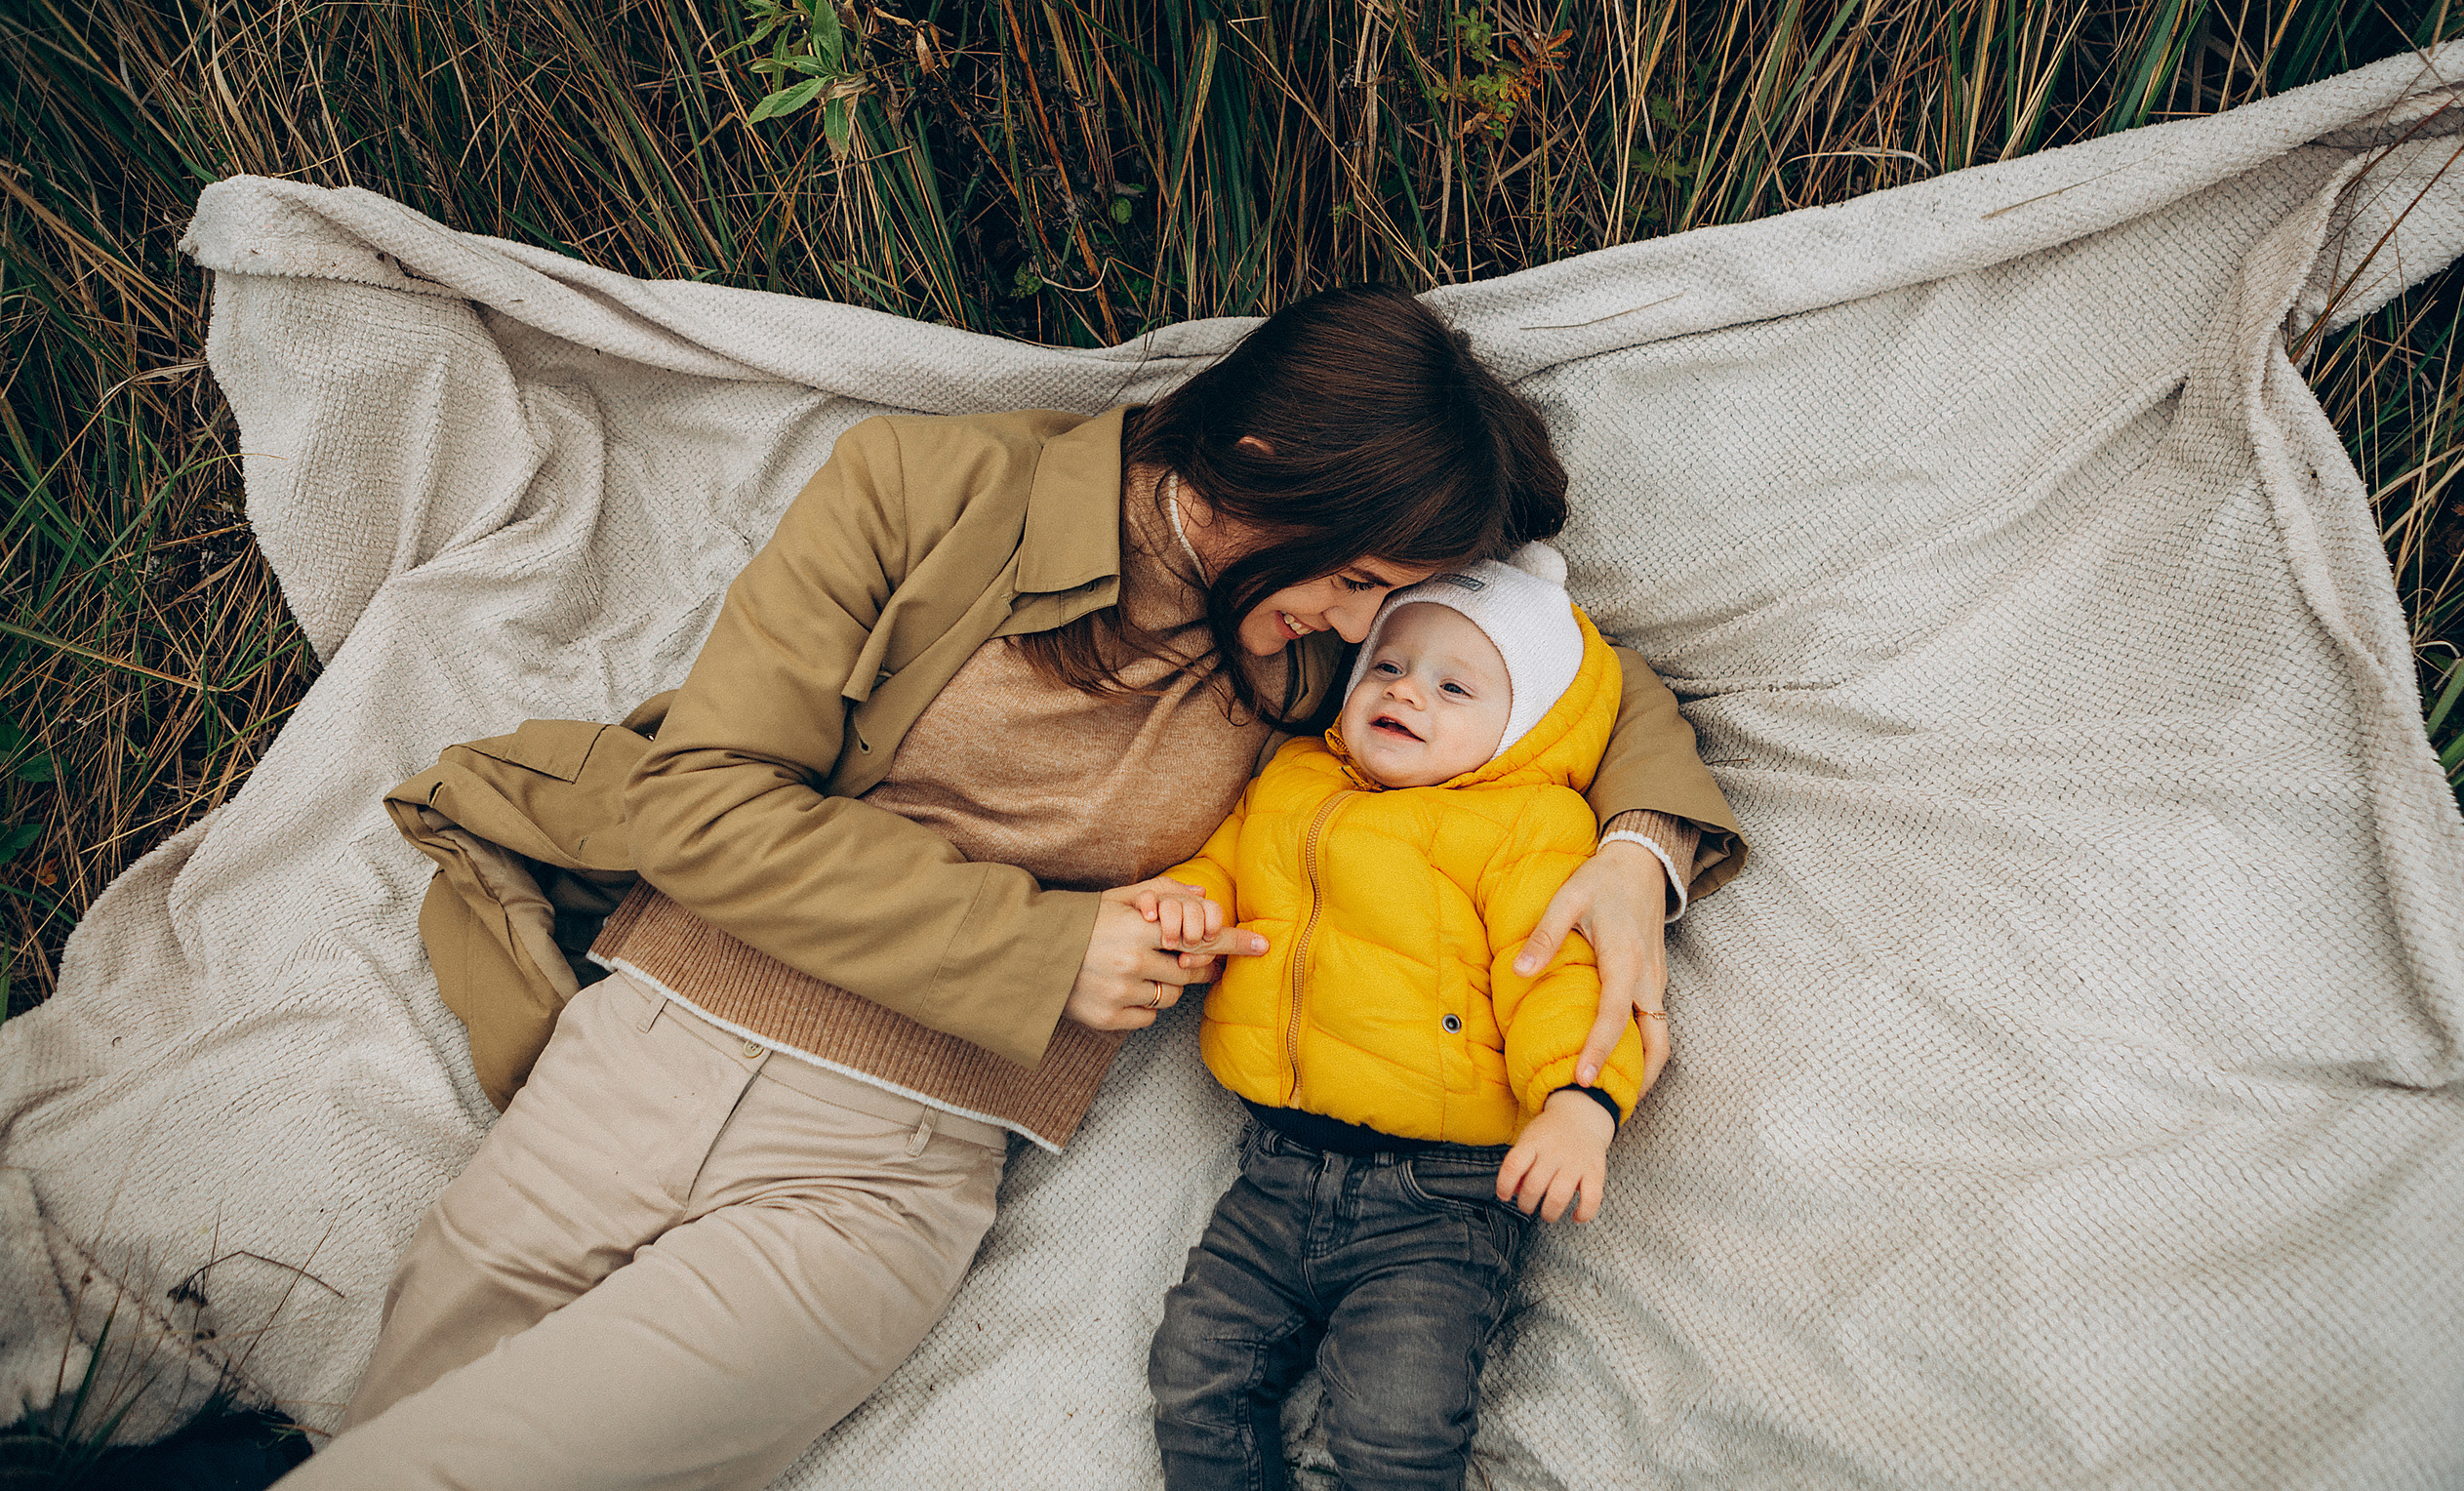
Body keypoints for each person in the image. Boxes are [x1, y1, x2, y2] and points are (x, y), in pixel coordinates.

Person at [278, 286, 1745, 1491]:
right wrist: (1041, 947)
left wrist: (1638, 849)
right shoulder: (923, 491)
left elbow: (1576, 681)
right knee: (379, 1438)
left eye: (1393, 595)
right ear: (1257, 455)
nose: (1375, 631)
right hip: (640, 1045)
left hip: (886, 1159)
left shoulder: (1311, 661)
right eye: (1359, 578)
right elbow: (699, 802)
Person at [1145, 544, 1636, 1490]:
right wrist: (1191, 901)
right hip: (1275, 1177)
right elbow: (1226, 862)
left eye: (1456, 689)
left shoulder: (1527, 827)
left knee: (1392, 1430)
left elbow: (1559, 978)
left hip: (1440, 1202)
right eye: (1390, 666)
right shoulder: (1291, 782)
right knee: (1194, 1374)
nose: (1407, 694)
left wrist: (1580, 1104)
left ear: (1522, 727)